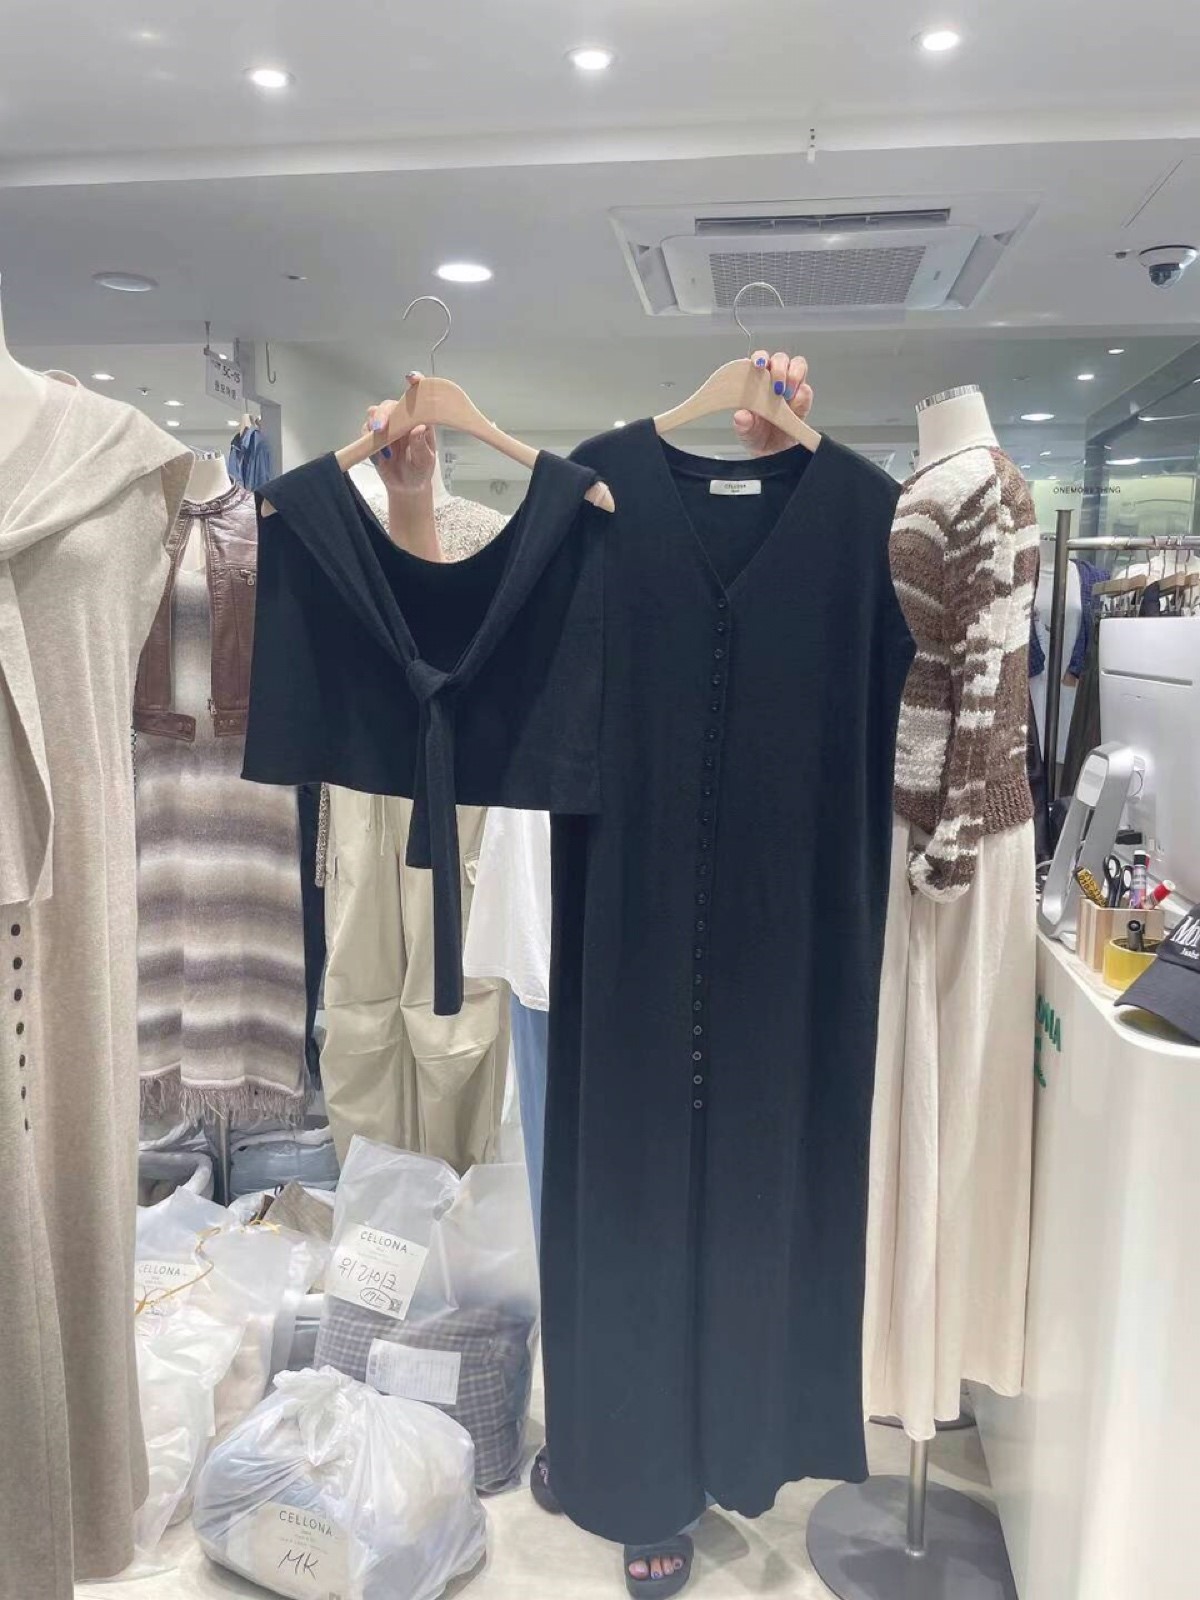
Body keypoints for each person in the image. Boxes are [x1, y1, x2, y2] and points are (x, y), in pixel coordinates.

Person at [364, 350, 814, 1596]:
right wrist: (414, 495)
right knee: (575, 1213)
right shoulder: (558, 524)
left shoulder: (682, 548)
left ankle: (670, 1465)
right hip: (557, 931)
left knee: (676, 1204)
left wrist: (781, 473)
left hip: (675, 936)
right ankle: (605, 1437)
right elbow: (438, 637)